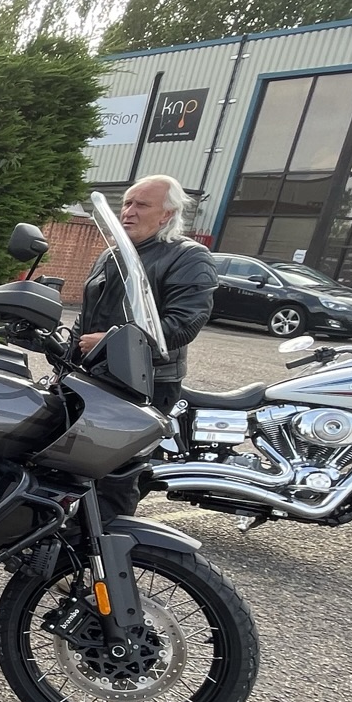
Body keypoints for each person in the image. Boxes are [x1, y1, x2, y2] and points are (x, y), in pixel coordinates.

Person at [77, 173, 217, 522]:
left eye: (142, 205)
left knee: (116, 476)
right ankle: (64, 554)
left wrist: (112, 343)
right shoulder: (113, 255)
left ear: (166, 214)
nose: (129, 211)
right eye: (126, 203)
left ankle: (106, 564)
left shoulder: (188, 257)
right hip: (96, 377)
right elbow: (89, 320)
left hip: (146, 383)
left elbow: (184, 325)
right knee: (74, 467)